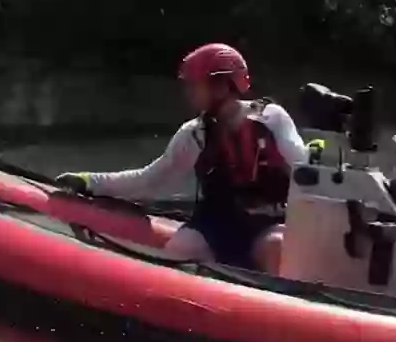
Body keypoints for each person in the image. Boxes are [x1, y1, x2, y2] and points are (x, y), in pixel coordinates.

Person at [54, 43, 308, 273]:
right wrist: (89, 182)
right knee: (179, 249)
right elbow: (148, 181)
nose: (188, 92)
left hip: (267, 224)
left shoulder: (272, 118)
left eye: (194, 84)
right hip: (215, 226)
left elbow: (303, 166)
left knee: (278, 247)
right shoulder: (193, 134)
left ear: (222, 85)